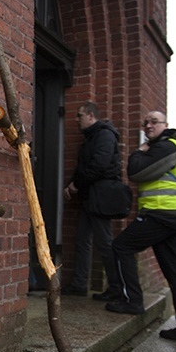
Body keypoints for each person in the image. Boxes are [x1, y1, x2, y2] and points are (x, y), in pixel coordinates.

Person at [105, 110, 176, 344]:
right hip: (175, 215)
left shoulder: (166, 146)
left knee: (121, 247)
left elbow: (137, 172)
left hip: (162, 214)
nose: (148, 125)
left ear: (166, 125)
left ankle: (133, 301)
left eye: (154, 122)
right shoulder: (168, 146)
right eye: (145, 122)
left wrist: (139, 151)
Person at [62, 102, 122, 300]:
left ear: (90, 115)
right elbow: (83, 167)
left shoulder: (105, 135)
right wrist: (72, 184)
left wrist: (75, 185)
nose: (77, 120)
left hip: (101, 197)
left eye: (79, 116)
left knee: (105, 243)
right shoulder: (91, 138)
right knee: (83, 240)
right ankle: (80, 284)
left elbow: (99, 165)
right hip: (90, 196)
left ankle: (116, 288)